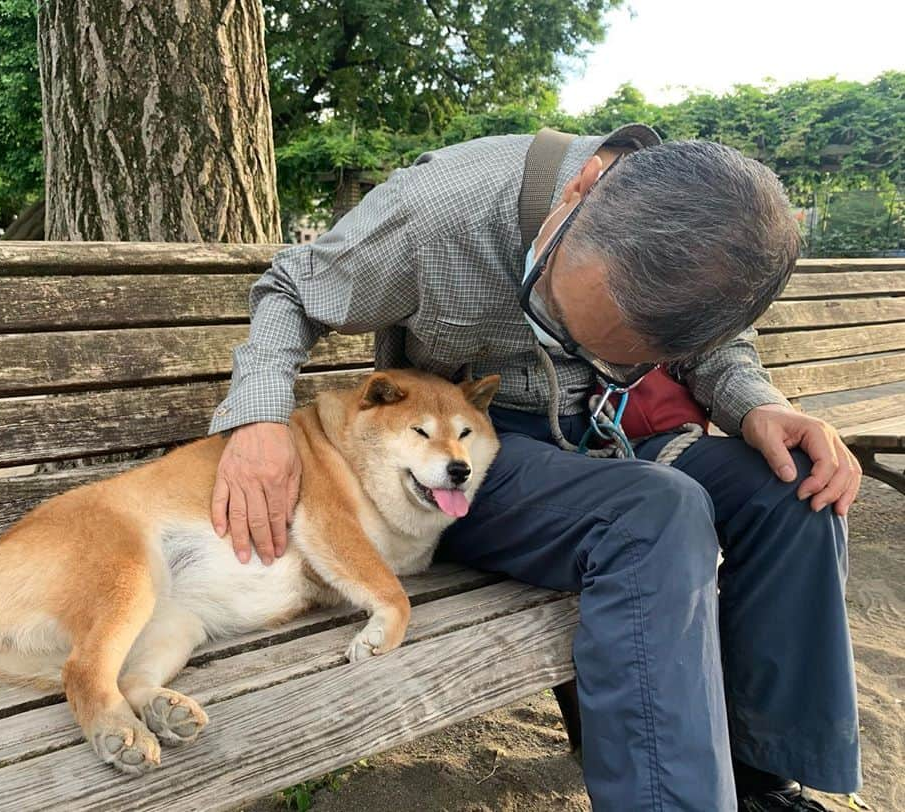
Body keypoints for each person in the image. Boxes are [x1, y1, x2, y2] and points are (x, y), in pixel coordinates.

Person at [206, 123, 862, 812]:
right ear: (584, 188)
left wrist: (759, 405)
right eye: (552, 305)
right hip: (474, 455)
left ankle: (763, 780)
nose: (562, 341)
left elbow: (718, 353)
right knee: (655, 514)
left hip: (605, 440)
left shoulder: (708, 238)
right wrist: (257, 421)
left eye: (617, 351)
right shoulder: (439, 209)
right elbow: (290, 290)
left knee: (793, 491)